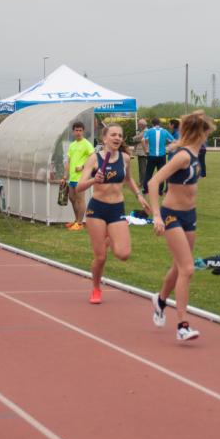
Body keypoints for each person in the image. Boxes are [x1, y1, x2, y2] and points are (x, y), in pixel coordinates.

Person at [148, 110, 215, 341]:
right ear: (200, 133)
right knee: (188, 269)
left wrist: (198, 116)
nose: (208, 135)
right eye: (206, 131)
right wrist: (156, 216)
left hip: (189, 216)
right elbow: (154, 182)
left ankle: (160, 300)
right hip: (171, 215)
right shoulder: (183, 156)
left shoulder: (197, 152)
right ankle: (182, 326)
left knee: (179, 267)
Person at [76, 125, 151, 304]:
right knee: (101, 257)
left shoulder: (125, 158)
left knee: (123, 254)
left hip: (117, 209)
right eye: (113, 135)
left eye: (120, 135)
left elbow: (128, 179)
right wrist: (94, 179)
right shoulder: (94, 158)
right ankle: (96, 288)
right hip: (97, 210)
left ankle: (108, 237)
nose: (117, 138)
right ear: (105, 139)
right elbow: (79, 186)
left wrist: (139, 196)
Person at [61, 122, 95, 231]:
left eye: (80, 130)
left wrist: (83, 167)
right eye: (76, 130)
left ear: (83, 131)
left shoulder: (87, 144)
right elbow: (68, 161)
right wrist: (65, 176)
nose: (78, 132)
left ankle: (80, 223)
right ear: (73, 131)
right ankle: (76, 221)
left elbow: (94, 159)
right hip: (72, 177)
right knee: (72, 198)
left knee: (80, 200)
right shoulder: (72, 145)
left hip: (82, 177)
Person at [141, 117, 174, 196]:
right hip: (162, 156)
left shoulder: (149, 131)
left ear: (152, 124)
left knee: (148, 174)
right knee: (161, 173)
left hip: (151, 155)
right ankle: (160, 191)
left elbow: (142, 140)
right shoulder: (165, 131)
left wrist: (145, 150)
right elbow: (173, 141)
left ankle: (146, 190)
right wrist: (166, 146)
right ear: (159, 123)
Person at [132, 118, 149, 187]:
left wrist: (134, 138)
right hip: (141, 152)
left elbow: (137, 138)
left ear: (142, 125)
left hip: (143, 152)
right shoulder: (142, 131)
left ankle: (143, 183)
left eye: (139, 124)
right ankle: (141, 182)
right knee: (141, 168)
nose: (138, 126)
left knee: (143, 168)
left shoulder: (145, 131)